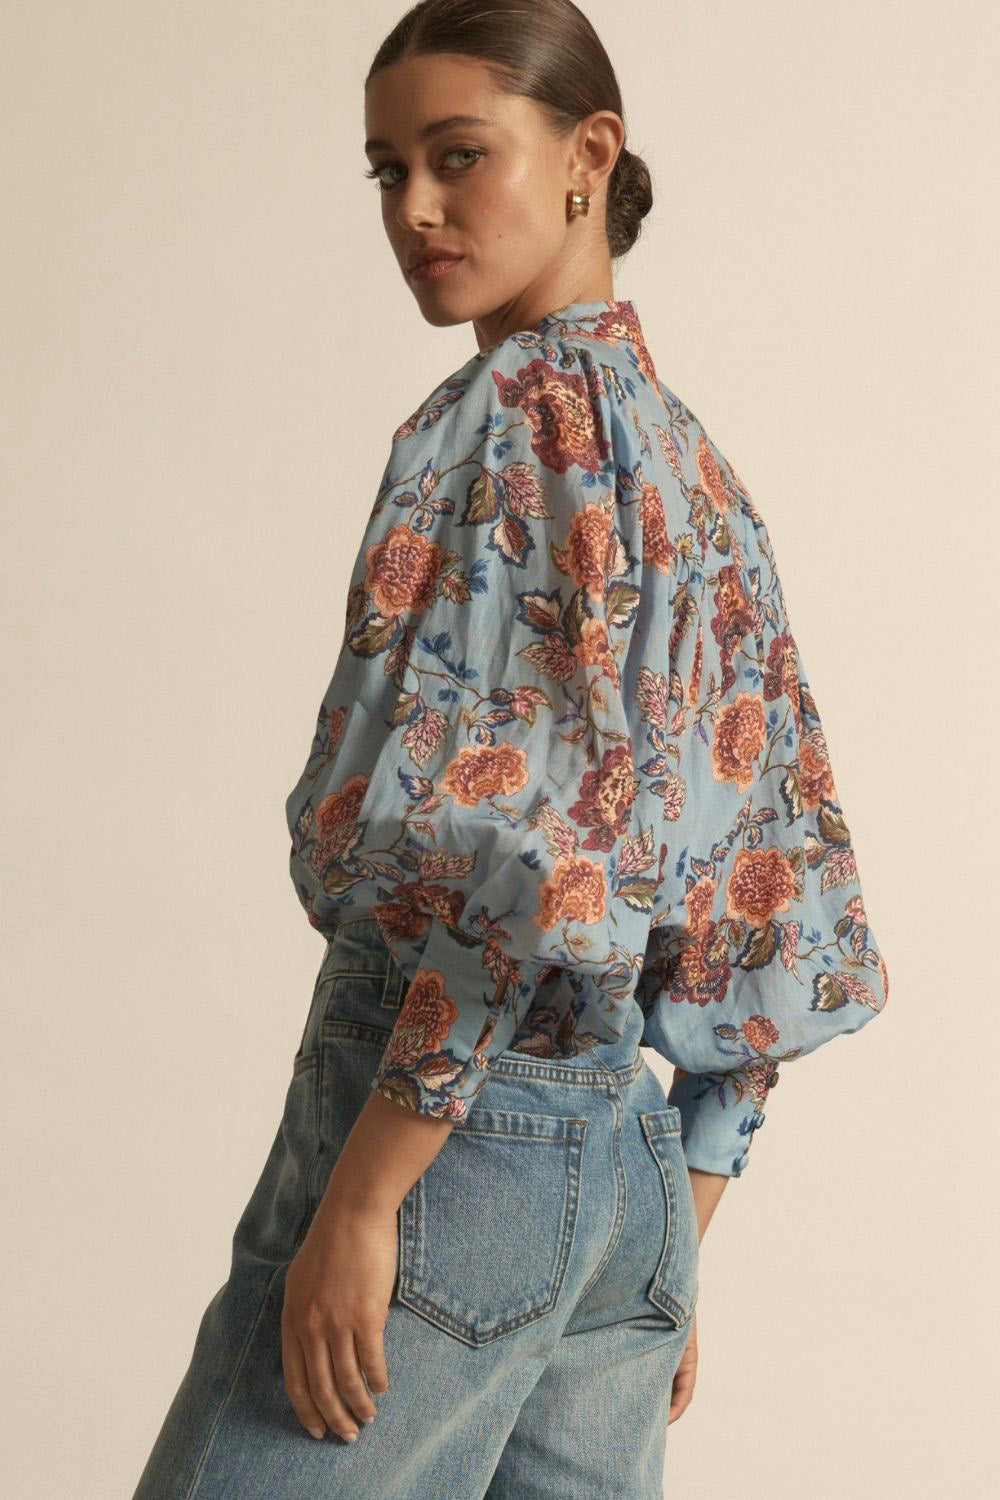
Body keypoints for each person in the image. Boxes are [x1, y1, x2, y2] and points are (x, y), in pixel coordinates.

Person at [131, 2, 889, 1496]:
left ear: (585, 157)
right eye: (387, 170)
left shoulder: (513, 418)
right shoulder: (694, 467)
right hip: (629, 1177)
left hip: (443, 1137)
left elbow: (542, 854)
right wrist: (677, 1210)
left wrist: (367, 1200)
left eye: (459, 155)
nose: (416, 208)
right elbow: (772, 874)